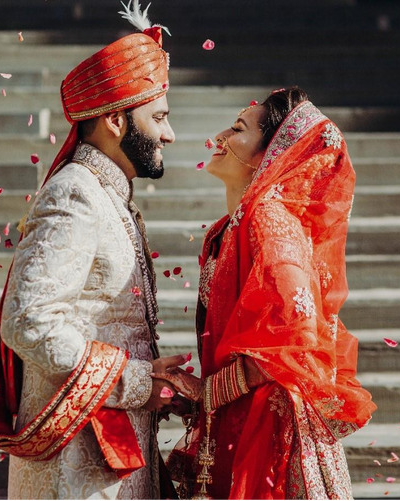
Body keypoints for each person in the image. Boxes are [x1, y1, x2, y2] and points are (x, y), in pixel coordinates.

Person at [0, 2, 185, 499]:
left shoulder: (106, 192)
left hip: (112, 448)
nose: (170, 134)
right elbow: (28, 321)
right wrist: (136, 383)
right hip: (78, 464)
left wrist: (151, 378)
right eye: (158, 117)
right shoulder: (75, 192)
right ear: (115, 120)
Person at [159, 88, 377, 500]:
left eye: (238, 129)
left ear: (271, 155)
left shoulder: (268, 217)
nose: (221, 135)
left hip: (269, 430)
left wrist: (211, 391)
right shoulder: (229, 227)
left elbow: (295, 333)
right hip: (242, 416)